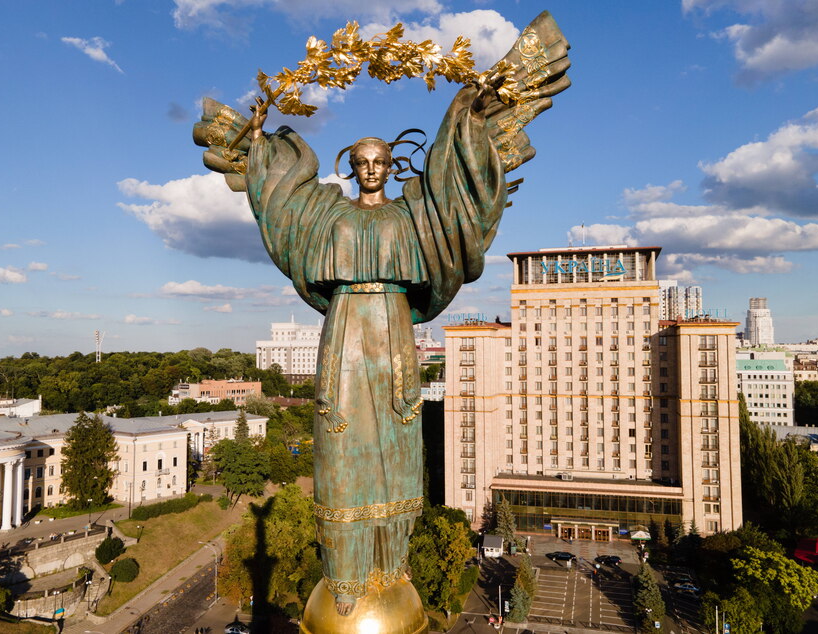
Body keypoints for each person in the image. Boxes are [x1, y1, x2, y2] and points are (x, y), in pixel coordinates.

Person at [194, 11, 571, 617]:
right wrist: (258, 143)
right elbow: (281, 207)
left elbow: (455, 196)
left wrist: (470, 115)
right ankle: (344, 573)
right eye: (363, 161)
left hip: (393, 330)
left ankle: (390, 564)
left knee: (396, 442)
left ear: (392, 166)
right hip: (344, 329)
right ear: (354, 164)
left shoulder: (410, 218)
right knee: (340, 440)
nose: (371, 169)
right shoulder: (330, 217)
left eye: (381, 161)